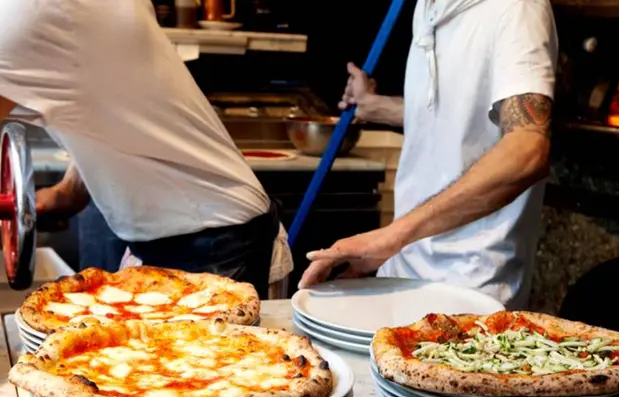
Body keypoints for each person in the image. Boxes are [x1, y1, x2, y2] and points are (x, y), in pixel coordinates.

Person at [0, 0, 292, 297]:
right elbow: (100, 103)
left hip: (217, 253)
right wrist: (69, 191)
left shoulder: (21, 18)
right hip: (190, 241)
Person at [298, 0, 558, 309]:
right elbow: (459, 116)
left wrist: (392, 235)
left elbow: (528, 148)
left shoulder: (517, 9)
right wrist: (378, 106)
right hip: (403, 267)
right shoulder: (428, 6)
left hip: (471, 286)